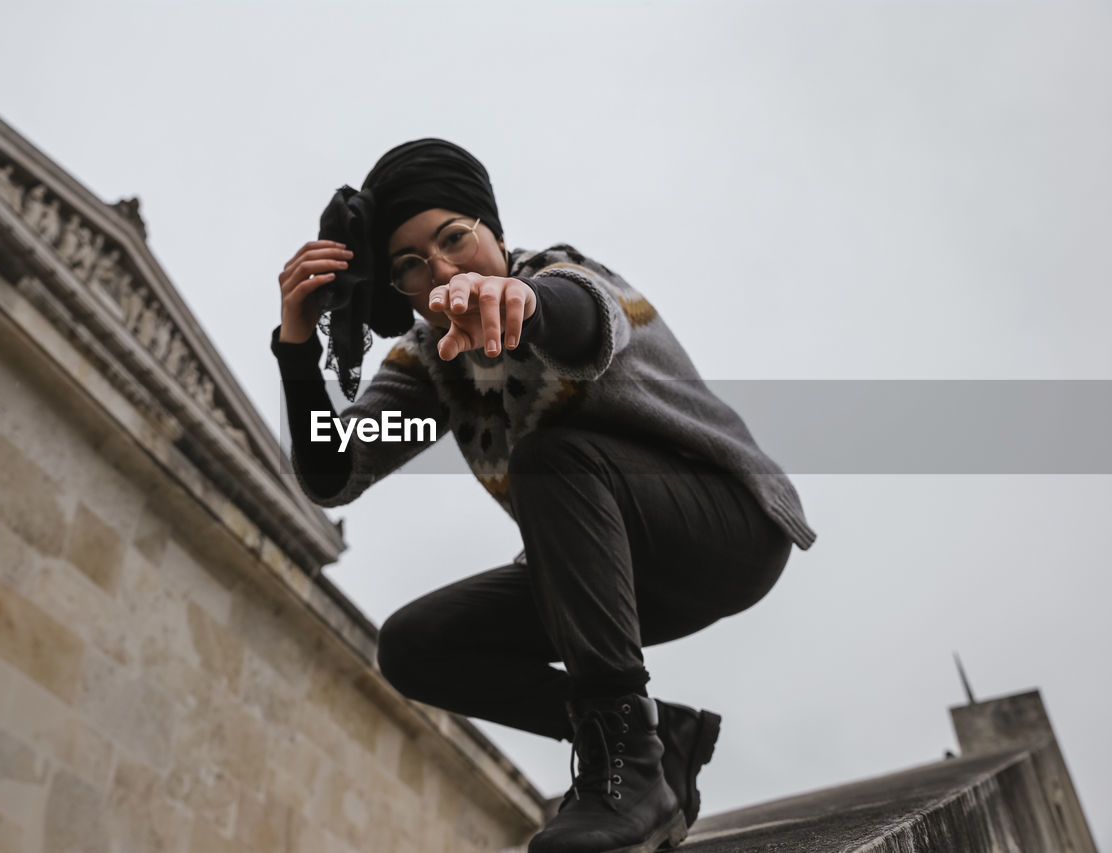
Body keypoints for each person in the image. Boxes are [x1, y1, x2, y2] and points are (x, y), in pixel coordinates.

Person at [271, 138, 815, 853]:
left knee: (550, 456)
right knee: (415, 645)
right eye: (410, 265)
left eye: (455, 239)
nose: (441, 271)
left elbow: (591, 317)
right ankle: (650, 738)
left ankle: (625, 768)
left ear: (492, 230)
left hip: (727, 528)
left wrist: (521, 303)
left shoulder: (563, 276)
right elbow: (332, 472)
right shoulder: (433, 364)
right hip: (602, 576)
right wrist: (297, 346)